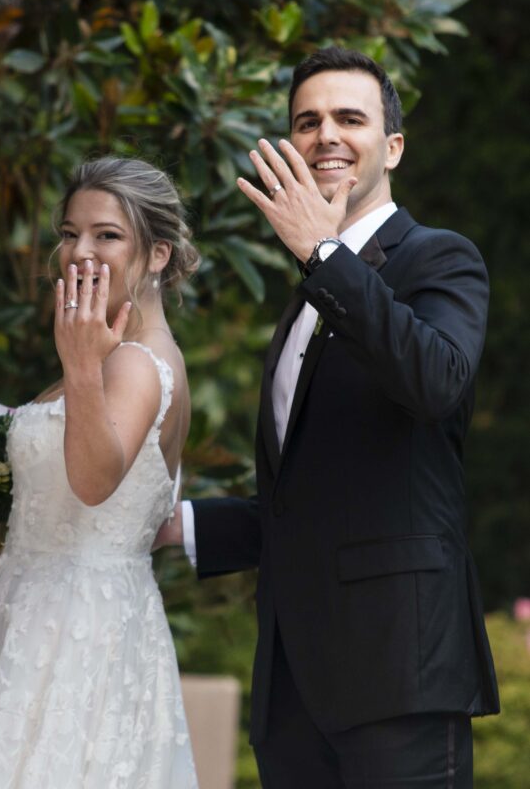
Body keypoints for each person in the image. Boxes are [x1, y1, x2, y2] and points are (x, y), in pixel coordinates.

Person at [158, 47, 499, 788]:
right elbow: (312, 501)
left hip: (400, 671)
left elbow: (436, 381)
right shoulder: (309, 295)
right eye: (306, 122)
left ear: (393, 147)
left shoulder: (439, 260)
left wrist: (322, 252)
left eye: (349, 118)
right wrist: (176, 527)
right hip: (294, 689)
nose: (326, 136)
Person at [0, 156, 201, 789]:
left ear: (158, 254)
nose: (78, 252)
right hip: (27, 614)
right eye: (69, 233)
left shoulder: (136, 364)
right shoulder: (112, 356)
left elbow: (93, 485)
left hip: (77, 634)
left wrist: (80, 364)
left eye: (106, 235)